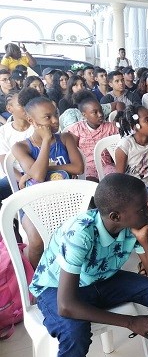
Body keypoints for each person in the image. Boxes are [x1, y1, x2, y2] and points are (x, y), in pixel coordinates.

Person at [29, 173, 148, 357]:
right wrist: (130, 322)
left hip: (101, 278)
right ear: (115, 216)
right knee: (75, 333)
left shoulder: (132, 225)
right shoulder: (80, 233)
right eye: (142, 209)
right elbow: (67, 305)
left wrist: (145, 241)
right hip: (57, 289)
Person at [12, 96, 85, 266]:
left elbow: (78, 168)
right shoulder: (21, 147)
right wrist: (45, 140)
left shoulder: (65, 138)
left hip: (67, 199)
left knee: (83, 232)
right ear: (31, 120)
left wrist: (49, 168)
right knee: (37, 242)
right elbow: (37, 176)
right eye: (47, 117)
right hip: (35, 203)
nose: (54, 121)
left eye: (55, 115)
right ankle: (37, 282)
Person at [115, 105, 148, 247]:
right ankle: (141, 251)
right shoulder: (125, 146)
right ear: (136, 126)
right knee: (137, 215)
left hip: (146, 186)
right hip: (127, 190)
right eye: (147, 120)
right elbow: (118, 178)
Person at [67, 94, 119, 181]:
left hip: (106, 164)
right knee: (90, 182)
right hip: (87, 166)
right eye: (94, 112)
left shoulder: (110, 127)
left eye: (100, 110)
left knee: (113, 181)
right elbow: (72, 151)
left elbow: (120, 144)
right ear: (84, 115)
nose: (100, 114)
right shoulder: (77, 129)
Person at [0, 89, 38, 201]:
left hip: (36, 171)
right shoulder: (3, 132)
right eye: (21, 104)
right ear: (9, 108)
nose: (26, 107)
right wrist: (23, 180)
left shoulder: (37, 127)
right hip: (13, 175)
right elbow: (4, 162)